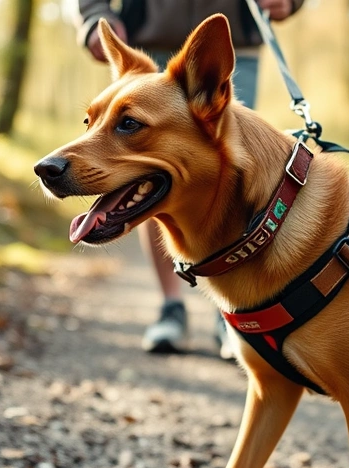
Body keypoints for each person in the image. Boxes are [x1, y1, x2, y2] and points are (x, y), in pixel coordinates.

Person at [76, 0, 304, 357]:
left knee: (227, 175)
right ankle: (171, 305)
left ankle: (232, 313)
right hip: (149, 33)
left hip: (232, 39)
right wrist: (94, 16)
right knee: (151, 174)